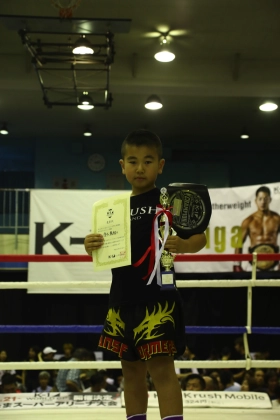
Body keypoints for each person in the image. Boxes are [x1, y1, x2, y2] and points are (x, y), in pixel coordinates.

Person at [84, 129, 207, 420]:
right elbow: (102, 249)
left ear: (160, 166)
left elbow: (200, 237)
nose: (140, 168)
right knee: (131, 372)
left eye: (148, 161)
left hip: (158, 300)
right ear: (122, 165)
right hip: (122, 299)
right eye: (133, 161)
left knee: (163, 371)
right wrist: (90, 244)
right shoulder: (112, 210)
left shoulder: (170, 202)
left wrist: (185, 245)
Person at [234, 185, 280, 271]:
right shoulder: (248, 221)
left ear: (270, 200)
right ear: (256, 201)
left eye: (265, 198)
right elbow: (239, 243)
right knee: (252, 284)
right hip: (254, 264)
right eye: (260, 199)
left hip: (273, 264)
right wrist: (237, 264)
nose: (263, 202)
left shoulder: (277, 219)